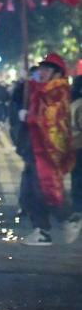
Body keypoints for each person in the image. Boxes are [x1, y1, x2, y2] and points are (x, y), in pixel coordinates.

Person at [19, 53, 77, 245]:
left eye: (46, 69)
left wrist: (28, 117)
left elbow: (50, 120)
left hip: (47, 149)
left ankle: (67, 218)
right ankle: (41, 230)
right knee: (30, 192)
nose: (41, 72)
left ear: (57, 72)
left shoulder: (58, 91)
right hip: (34, 147)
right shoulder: (43, 89)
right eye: (41, 68)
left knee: (45, 189)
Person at [70, 75, 82, 218]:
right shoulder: (80, 104)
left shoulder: (73, 103)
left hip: (74, 146)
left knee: (77, 178)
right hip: (80, 146)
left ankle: (77, 208)